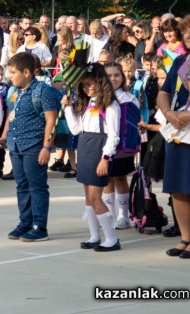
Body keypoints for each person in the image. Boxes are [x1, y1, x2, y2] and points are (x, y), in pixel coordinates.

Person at [157, 13, 190, 259]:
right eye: (185, 30)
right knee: (177, 186)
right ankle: (185, 238)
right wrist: (168, 113)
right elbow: (164, 92)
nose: (187, 35)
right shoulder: (181, 62)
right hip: (177, 129)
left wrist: (188, 117)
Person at [0, 52, 58, 242]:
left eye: (13, 72)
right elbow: (10, 115)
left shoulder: (42, 91)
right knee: (22, 185)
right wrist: (4, 137)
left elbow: (51, 120)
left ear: (27, 72)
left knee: (36, 186)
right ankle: (25, 222)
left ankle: (40, 226)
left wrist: (46, 148)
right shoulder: (15, 91)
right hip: (15, 145)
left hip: (34, 145)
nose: (10, 76)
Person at [63, 63, 122, 251]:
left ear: (100, 82)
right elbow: (76, 129)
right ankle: (94, 236)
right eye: (84, 85)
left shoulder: (111, 105)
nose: (88, 88)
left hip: (99, 150)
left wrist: (106, 157)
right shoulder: (88, 104)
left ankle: (112, 238)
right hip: (85, 147)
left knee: (96, 198)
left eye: (91, 84)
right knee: (88, 198)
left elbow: (114, 135)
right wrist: (67, 109)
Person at [102, 62, 139, 229]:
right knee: (106, 179)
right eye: (109, 75)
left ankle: (123, 215)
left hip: (122, 146)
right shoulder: (97, 98)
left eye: (117, 75)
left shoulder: (129, 98)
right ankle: (108, 214)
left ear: (123, 77)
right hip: (102, 144)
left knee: (120, 178)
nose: (113, 78)